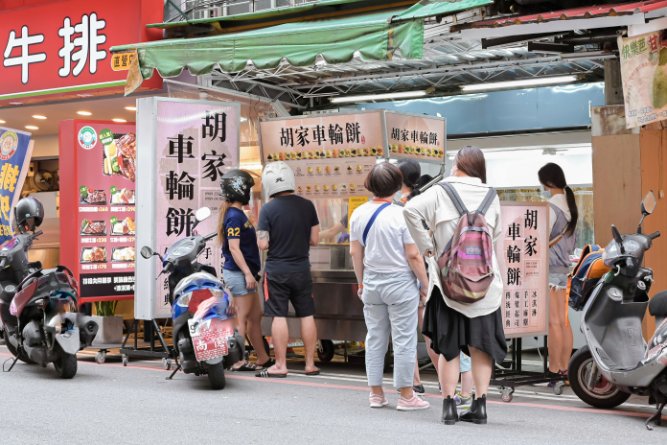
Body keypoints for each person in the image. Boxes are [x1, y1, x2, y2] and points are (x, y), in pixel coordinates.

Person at [404, 146, 506, 425]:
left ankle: (449, 407)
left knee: (448, 348)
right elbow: (495, 234)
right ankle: (480, 405)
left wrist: (429, 249)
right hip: (485, 288)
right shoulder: (490, 194)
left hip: (447, 285)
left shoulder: (440, 191)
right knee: (481, 347)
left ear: (458, 165)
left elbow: (410, 210)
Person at [350, 162, 430, 411]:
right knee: (404, 339)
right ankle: (406, 396)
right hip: (400, 284)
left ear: (370, 185)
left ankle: (376, 394)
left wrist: (361, 281)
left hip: (372, 282)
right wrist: (425, 284)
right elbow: (413, 255)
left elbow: (355, 251)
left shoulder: (359, 213)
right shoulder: (400, 214)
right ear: (397, 185)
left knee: (375, 337)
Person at [256, 161, 320, 378]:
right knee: (307, 314)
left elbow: (262, 244)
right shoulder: (307, 205)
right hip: (302, 268)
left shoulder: (267, 209)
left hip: (276, 271)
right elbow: (315, 239)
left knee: (278, 315)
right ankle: (310, 364)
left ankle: (281, 365)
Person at [218, 169, 273, 371]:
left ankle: (262, 357)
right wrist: (248, 273)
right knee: (242, 319)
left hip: (246, 274)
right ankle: (238, 360)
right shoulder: (233, 216)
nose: (250, 192)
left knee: (255, 317)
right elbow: (234, 247)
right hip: (240, 275)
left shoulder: (239, 214)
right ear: (239, 189)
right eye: (248, 188)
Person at [538, 162, 578, 382]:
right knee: (563, 321)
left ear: (548, 182)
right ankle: (566, 369)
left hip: (551, 271)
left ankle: (554, 370)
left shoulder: (551, 207)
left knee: (554, 322)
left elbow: (540, 239)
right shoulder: (571, 207)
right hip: (566, 271)